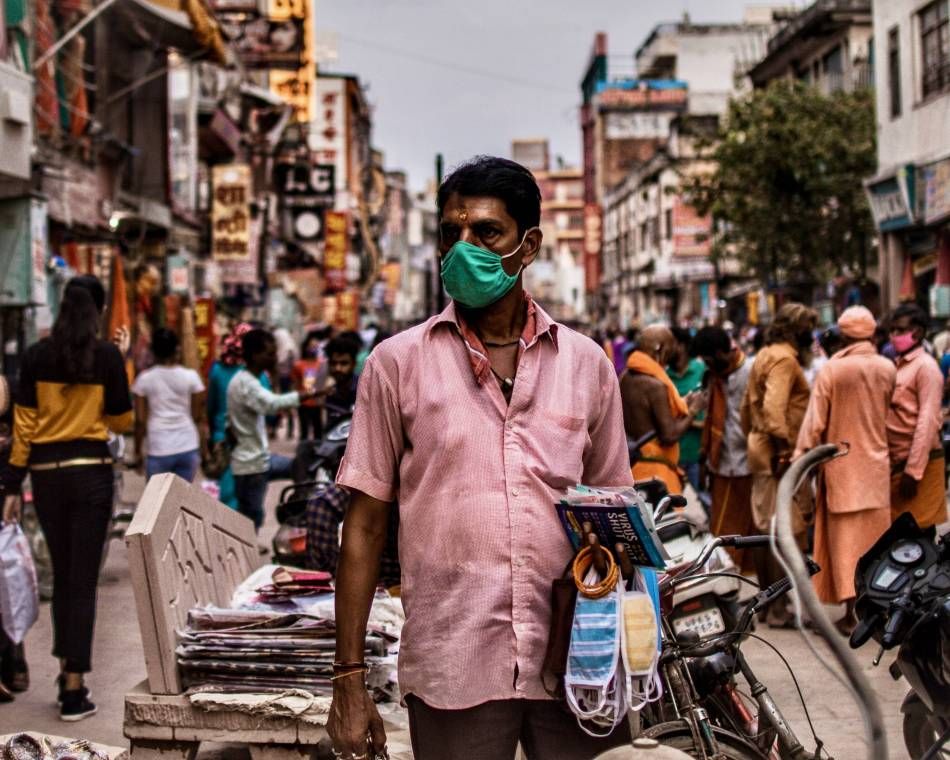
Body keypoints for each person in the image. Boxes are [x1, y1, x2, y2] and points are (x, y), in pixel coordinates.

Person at [328, 156, 633, 760]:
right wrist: (348, 680)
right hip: (453, 660)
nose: (462, 248)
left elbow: (614, 509)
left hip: (577, 659)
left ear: (529, 245)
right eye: (451, 233)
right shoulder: (396, 364)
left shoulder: (587, 364)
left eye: (486, 233)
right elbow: (363, 527)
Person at [0, 276, 133, 721]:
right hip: (91, 477)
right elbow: (123, 421)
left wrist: (12, 485)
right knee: (82, 583)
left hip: (48, 478)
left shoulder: (37, 357)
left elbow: (24, 429)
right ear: (97, 311)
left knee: (63, 577)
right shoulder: (108, 357)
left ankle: (66, 673)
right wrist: (122, 364)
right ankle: (73, 686)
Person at [794, 306, 896, 634]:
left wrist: (800, 461)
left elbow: (814, 424)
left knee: (846, 546)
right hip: (877, 469)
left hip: (841, 469)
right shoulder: (887, 367)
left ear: (842, 335)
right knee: (876, 544)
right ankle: (874, 613)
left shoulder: (833, 370)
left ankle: (852, 614)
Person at [740, 302, 816, 628]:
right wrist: (785, 450)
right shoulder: (785, 359)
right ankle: (777, 607)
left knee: (767, 530)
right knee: (783, 532)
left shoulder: (766, 355)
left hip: (763, 450)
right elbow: (774, 411)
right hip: (777, 454)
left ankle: (772, 604)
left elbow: (747, 410)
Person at [228, 328, 316, 530]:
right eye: (269, 353)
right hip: (252, 464)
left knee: (301, 465)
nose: (274, 357)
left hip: (257, 458)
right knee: (252, 516)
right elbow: (272, 404)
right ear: (254, 355)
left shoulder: (249, 379)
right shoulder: (246, 384)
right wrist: (309, 394)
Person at [693, 326, 755, 572]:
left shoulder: (750, 371)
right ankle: (726, 580)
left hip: (748, 463)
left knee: (750, 531)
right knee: (721, 530)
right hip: (720, 463)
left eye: (709, 359)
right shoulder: (714, 377)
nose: (707, 365)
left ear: (720, 352)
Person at [621, 324, 705, 494]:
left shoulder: (625, 377)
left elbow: (647, 415)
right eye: (670, 348)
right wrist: (694, 410)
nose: (672, 355)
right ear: (659, 348)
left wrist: (683, 402)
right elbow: (669, 435)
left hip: (633, 466)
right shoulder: (655, 386)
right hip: (655, 472)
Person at [886, 303, 949, 531]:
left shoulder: (926, 368)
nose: (894, 336)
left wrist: (913, 472)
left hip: (917, 468)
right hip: (897, 465)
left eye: (900, 331)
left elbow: (928, 421)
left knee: (918, 540)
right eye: (892, 331)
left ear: (919, 332)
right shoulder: (898, 366)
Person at [131, 328, 205, 482]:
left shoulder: (144, 379)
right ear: (177, 349)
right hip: (188, 445)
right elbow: (198, 417)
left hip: (159, 447)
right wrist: (205, 451)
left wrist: (137, 451)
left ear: (153, 351)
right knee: (181, 502)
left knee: (156, 502)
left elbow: (139, 421)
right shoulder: (191, 377)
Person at [206, 323, 253, 509]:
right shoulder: (256, 372)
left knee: (227, 494)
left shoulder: (217, 369)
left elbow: (211, 406)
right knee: (247, 496)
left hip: (222, 437)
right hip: (249, 441)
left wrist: (212, 434)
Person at [667, 327, 706, 496]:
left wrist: (684, 420)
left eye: (671, 344)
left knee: (707, 503)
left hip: (697, 453)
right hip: (673, 456)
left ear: (682, 346)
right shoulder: (663, 375)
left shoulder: (701, 370)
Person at [292, 329, 329, 441]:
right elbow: (296, 384)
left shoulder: (322, 364)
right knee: (304, 431)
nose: (313, 348)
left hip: (317, 403)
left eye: (315, 346)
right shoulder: (298, 365)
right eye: (311, 346)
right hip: (304, 403)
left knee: (318, 431)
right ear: (306, 347)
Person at [323, 333, 361, 432]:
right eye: (333, 363)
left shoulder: (363, 390)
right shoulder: (330, 392)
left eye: (344, 363)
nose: (338, 368)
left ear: (353, 364)